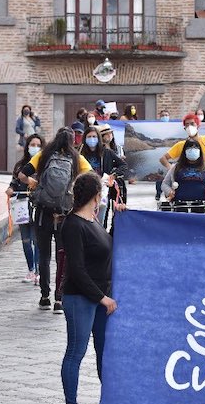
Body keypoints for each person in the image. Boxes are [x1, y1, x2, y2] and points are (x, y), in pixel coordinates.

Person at [59, 171, 129, 404]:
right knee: (76, 352)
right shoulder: (73, 224)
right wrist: (102, 298)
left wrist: (120, 219)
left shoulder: (93, 220)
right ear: (95, 195)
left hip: (102, 299)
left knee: (105, 354)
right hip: (81, 297)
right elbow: (76, 270)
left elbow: (106, 246)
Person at [19, 128, 92, 313]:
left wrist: (34, 183)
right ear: (71, 142)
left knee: (44, 256)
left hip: (43, 212)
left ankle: (45, 297)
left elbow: (21, 174)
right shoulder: (77, 158)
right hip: (64, 214)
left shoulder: (44, 155)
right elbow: (92, 178)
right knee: (63, 256)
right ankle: (59, 299)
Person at [7, 134, 43, 284]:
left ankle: (38, 271)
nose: (34, 147)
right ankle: (30, 270)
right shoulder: (20, 166)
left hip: (37, 206)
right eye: (32, 144)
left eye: (37, 145)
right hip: (21, 206)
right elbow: (14, 182)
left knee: (36, 240)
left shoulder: (43, 165)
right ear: (27, 146)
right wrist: (10, 189)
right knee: (26, 241)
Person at [79, 127, 128, 227]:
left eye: (94, 136)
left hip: (103, 190)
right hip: (84, 190)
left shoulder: (107, 153)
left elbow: (123, 165)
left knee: (101, 222)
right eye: (89, 137)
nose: (92, 139)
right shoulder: (80, 153)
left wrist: (113, 176)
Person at [161, 138, 205, 204]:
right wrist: (169, 191)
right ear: (184, 151)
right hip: (179, 206)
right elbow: (164, 184)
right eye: (189, 148)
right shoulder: (176, 168)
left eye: (196, 148)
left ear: (200, 151)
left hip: (203, 206)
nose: (193, 149)